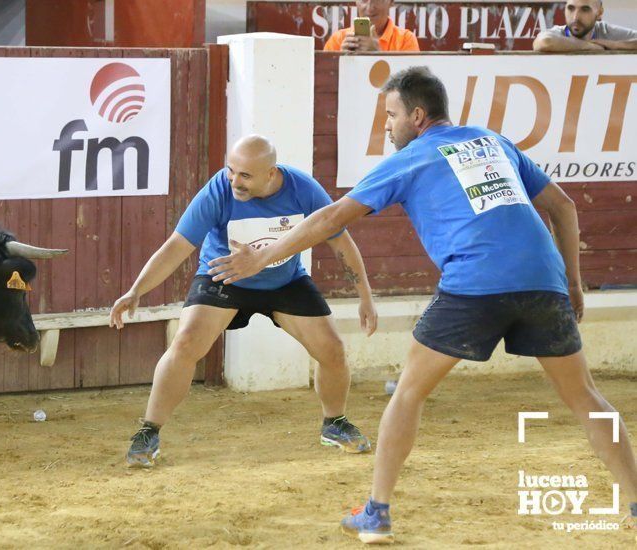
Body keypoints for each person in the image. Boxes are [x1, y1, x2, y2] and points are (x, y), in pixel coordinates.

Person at [207, 68, 637, 544]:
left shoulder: (411, 157)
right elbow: (564, 208)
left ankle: (377, 513)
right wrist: (573, 284)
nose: (387, 126)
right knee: (587, 398)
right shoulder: (493, 142)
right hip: (544, 281)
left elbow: (329, 218)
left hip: (474, 283)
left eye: (390, 115)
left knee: (407, 393)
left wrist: (262, 257)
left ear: (416, 115)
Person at [109, 135, 378, 468]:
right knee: (186, 341)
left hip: (284, 280)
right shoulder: (218, 190)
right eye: (231, 170)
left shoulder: (304, 190)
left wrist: (365, 297)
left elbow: (342, 244)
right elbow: (177, 246)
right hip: (225, 275)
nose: (235, 181)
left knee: (333, 349)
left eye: (245, 176)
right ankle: (149, 431)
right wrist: (136, 290)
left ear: (270, 173)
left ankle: (334, 424)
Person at [533, 0, 637, 52]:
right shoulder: (559, 32)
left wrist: (615, 45)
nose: (575, 17)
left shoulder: (605, 30)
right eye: (571, 8)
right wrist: (590, 46)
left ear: (599, 13)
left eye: (585, 10)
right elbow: (545, 42)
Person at [324, 0, 419, 53]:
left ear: (391, 2)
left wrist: (377, 55)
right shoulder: (338, 39)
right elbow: (325, 81)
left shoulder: (406, 39)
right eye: (364, 0)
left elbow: (411, 85)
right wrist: (339, 60)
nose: (369, 8)